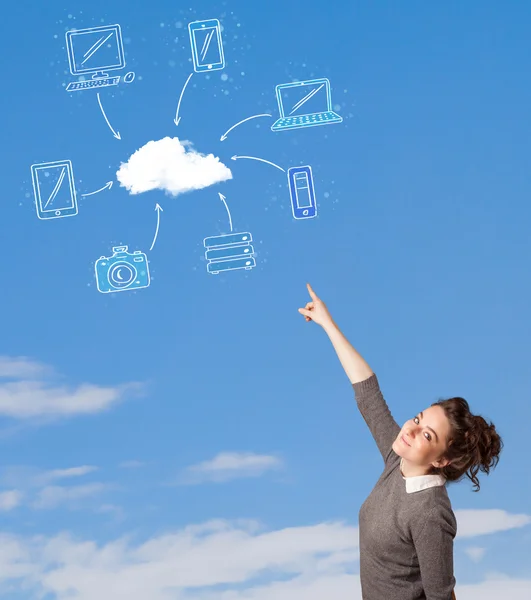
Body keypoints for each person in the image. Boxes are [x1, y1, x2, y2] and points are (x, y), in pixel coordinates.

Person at [298, 283, 503, 600]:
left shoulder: (429, 513)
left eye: (427, 435)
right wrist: (327, 323)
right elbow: (368, 394)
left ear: (441, 460)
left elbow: (440, 595)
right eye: (419, 419)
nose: (410, 428)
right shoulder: (400, 460)